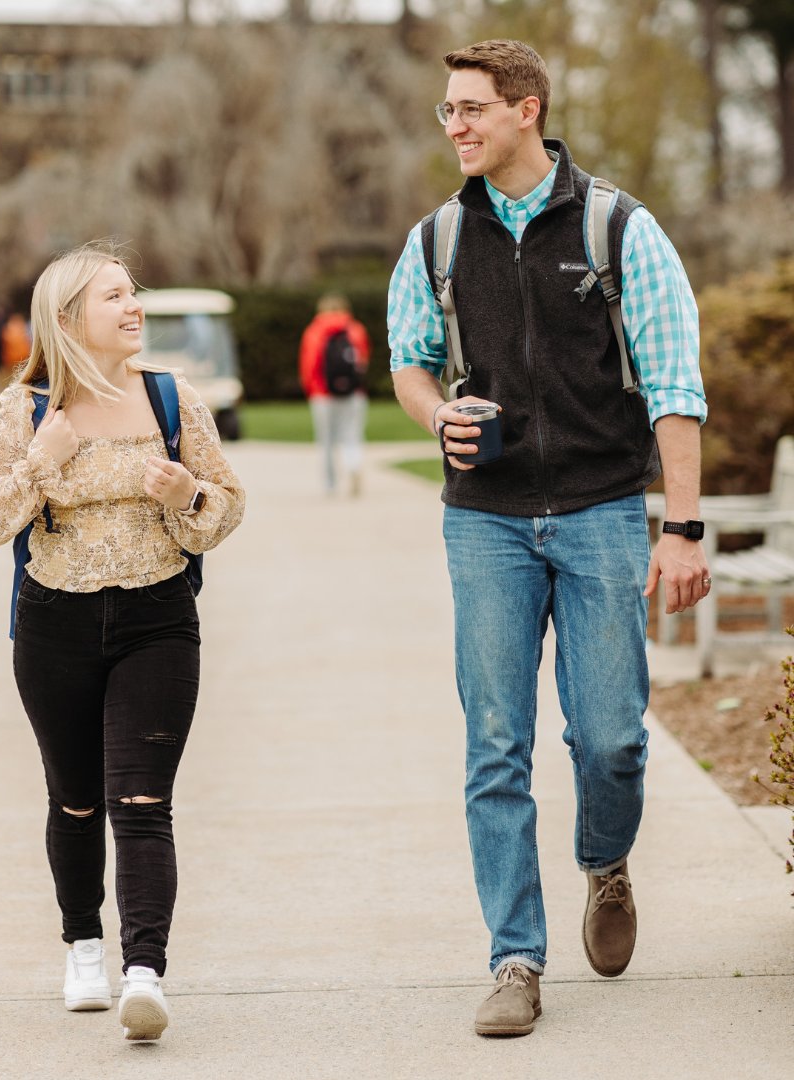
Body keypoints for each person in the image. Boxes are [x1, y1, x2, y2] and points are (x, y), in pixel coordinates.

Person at [388, 40, 708, 1036]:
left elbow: (675, 387)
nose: (456, 127)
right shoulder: (437, 239)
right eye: (447, 111)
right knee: (495, 742)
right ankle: (516, 960)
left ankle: (605, 862)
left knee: (610, 738)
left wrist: (685, 526)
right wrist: (432, 414)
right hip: (483, 523)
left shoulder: (620, 229)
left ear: (527, 109)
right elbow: (410, 358)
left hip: (603, 511)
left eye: (473, 109)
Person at [0, 242, 245, 1041]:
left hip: (158, 621)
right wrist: (40, 465)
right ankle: (82, 945)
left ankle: (144, 973)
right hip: (55, 628)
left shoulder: (170, 399)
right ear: (67, 319)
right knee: (76, 798)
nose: (133, 306)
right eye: (114, 296)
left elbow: (224, 508)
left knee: (143, 803)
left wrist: (189, 491)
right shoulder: (26, 412)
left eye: (133, 292)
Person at [298, 293, 370, 496]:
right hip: (354, 393)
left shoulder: (314, 331)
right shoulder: (356, 329)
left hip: (323, 394)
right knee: (352, 435)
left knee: (326, 440)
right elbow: (363, 361)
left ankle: (330, 484)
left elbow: (309, 365)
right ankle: (353, 465)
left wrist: (311, 389)